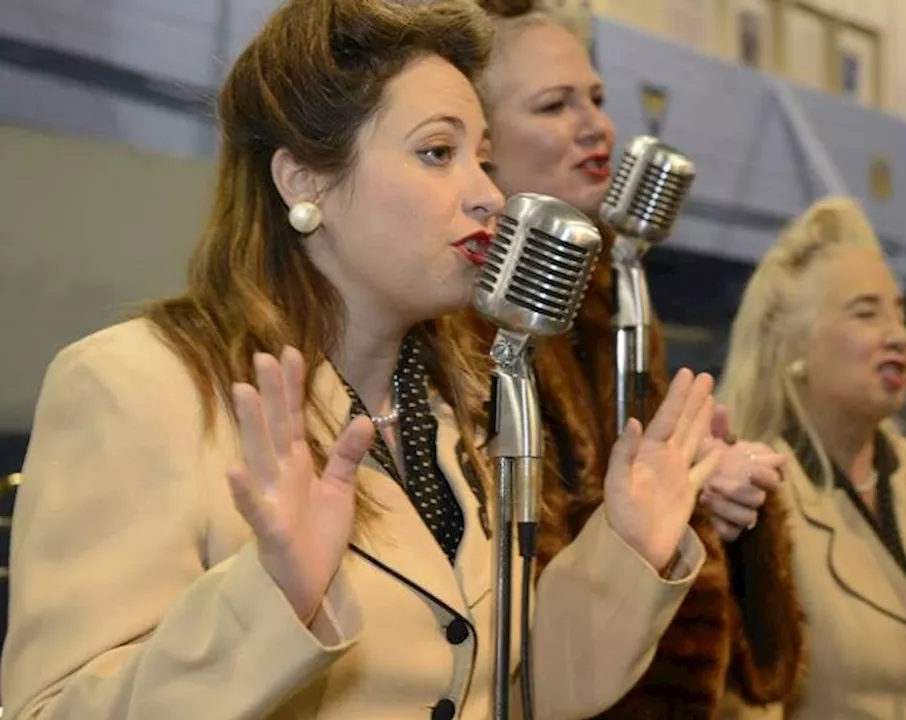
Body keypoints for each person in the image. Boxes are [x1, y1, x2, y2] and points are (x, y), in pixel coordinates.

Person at [0, 2, 723, 717]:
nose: (489, 195)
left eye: (484, 159)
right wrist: (273, 599)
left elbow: (511, 693)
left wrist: (627, 547)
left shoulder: (449, 412)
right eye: (437, 153)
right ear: (305, 181)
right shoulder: (137, 386)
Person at [448, 2, 806, 717]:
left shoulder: (611, 297)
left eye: (598, 99)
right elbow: (506, 587)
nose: (597, 126)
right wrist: (678, 503)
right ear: (479, 145)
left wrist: (716, 485)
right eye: (555, 105)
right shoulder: (455, 328)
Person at [718, 196, 906, 719]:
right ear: (792, 345)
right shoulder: (754, 492)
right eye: (866, 313)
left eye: (900, 314)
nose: (900, 336)